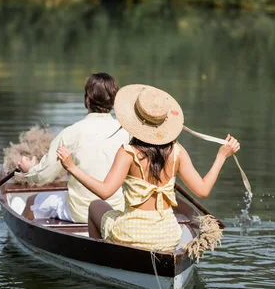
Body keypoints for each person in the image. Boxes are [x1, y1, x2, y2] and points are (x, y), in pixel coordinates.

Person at [56, 84, 240, 251]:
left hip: (131, 236)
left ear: (135, 120)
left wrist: (71, 167)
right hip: (168, 237)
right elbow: (203, 190)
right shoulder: (177, 152)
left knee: (96, 206)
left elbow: (105, 192)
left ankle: (101, 259)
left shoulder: (128, 152)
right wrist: (221, 155)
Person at [16, 73, 130, 223]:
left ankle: (27, 243)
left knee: (31, 201)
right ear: (114, 100)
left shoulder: (71, 133)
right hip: (116, 210)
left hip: (80, 212)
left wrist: (29, 170)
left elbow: (44, 176)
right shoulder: (127, 133)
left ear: (87, 99)